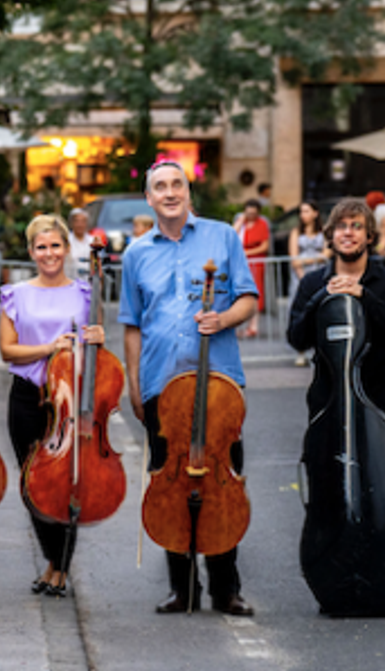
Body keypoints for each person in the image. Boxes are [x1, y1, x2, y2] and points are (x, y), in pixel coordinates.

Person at [119, 160, 258, 616]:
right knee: (170, 484)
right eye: (160, 186)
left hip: (218, 383)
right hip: (162, 381)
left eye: (177, 184)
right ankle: (183, 588)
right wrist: (136, 384)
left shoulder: (222, 237)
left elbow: (248, 298)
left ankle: (226, 588)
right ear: (149, 199)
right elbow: (133, 325)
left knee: (222, 483)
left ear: (188, 191)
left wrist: (223, 319)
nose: (170, 192)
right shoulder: (136, 254)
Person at [0, 214, 105, 597]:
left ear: (66, 248)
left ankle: (59, 567)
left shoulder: (86, 292)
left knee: (67, 485)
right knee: (33, 485)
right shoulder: (16, 293)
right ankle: (54, 560)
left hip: (70, 398)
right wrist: (49, 347)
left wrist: (97, 336)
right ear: (31, 252)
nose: (49, 253)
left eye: (55, 245)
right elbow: (7, 349)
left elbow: (96, 350)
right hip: (27, 395)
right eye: (41, 247)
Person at [287, 199, 385, 418]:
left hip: (377, 394)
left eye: (357, 226)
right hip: (327, 397)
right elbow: (297, 339)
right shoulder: (312, 283)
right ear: (331, 236)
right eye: (341, 226)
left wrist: (364, 296)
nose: (348, 233)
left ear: (370, 237)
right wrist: (323, 296)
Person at [288, 200, 329, 366]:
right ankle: (300, 350)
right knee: (300, 312)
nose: (303, 215)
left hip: (321, 276)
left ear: (315, 213)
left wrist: (307, 260)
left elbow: (327, 253)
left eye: (306, 211)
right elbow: (294, 259)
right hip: (300, 277)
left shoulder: (324, 231)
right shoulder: (296, 232)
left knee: (321, 311)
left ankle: (319, 350)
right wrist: (304, 274)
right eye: (301, 211)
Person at [232, 199, 270, 338]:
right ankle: (240, 324)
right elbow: (232, 236)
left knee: (256, 291)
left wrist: (248, 252)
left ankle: (254, 325)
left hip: (256, 261)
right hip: (241, 262)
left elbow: (265, 246)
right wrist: (240, 221)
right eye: (248, 213)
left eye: (253, 213)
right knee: (239, 291)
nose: (251, 215)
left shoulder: (262, 224)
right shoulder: (242, 223)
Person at [65, 208, 94, 278]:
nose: (80, 225)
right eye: (77, 221)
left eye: (83, 221)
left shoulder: (92, 241)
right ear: (72, 223)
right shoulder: (66, 241)